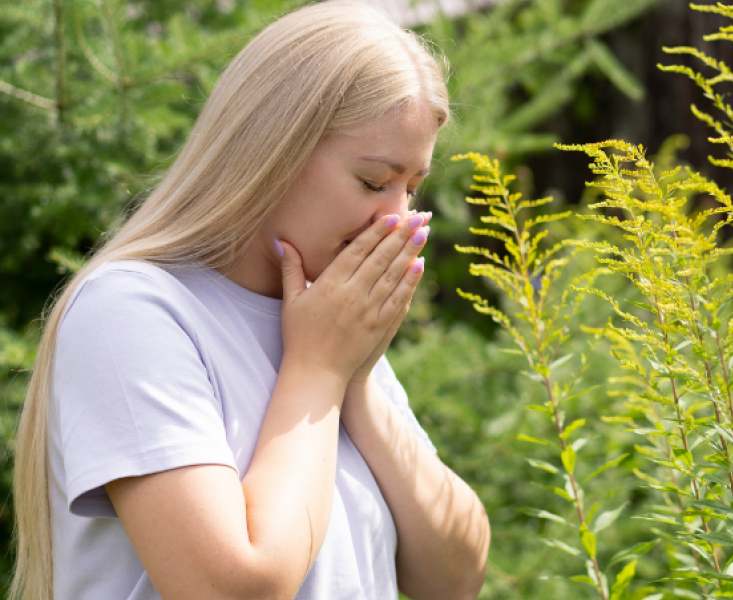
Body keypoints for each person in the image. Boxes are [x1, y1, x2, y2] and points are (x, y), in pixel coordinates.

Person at [9, 3, 491, 599]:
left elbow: (456, 576)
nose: (395, 218)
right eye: (373, 181)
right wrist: (318, 371)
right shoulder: (132, 312)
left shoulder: (328, 324)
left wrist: (357, 382)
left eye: (412, 188)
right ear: (273, 148)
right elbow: (234, 588)